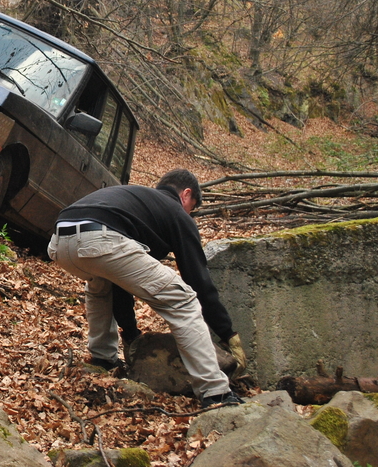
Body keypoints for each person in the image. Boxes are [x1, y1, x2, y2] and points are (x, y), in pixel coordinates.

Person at [47, 169, 247, 406]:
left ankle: (103, 360)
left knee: (102, 288)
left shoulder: (138, 202)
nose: (189, 214)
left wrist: (131, 334)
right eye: (191, 207)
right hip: (99, 238)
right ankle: (215, 392)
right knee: (183, 299)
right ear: (186, 194)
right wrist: (228, 334)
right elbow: (199, 281)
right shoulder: (175, 212)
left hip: (59, 240)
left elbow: (119, 281)